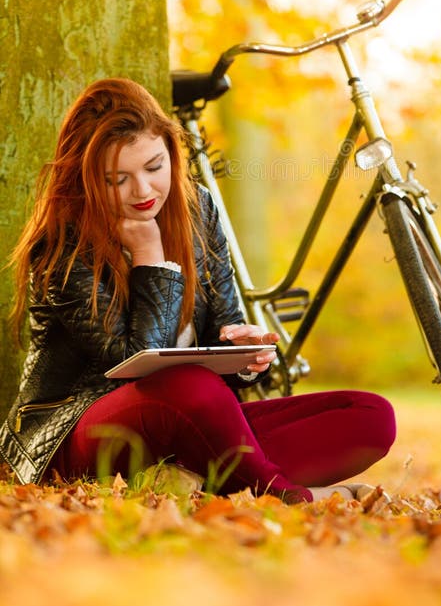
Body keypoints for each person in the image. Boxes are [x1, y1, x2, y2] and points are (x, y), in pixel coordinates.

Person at [0, 78, 396, 502]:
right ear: (89, 178)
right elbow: (137, 365)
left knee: (370, 416)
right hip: (72, 435)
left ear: (171, 152)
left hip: (187, 420)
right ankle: (295, 499)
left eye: (154, 167)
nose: (144, 191)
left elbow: (219, 331)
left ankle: (183, 480)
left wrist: (243, 355)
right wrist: (150, 256)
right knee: (189, 385)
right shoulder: (62, 241)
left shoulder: (198, 208)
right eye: (118, 179)